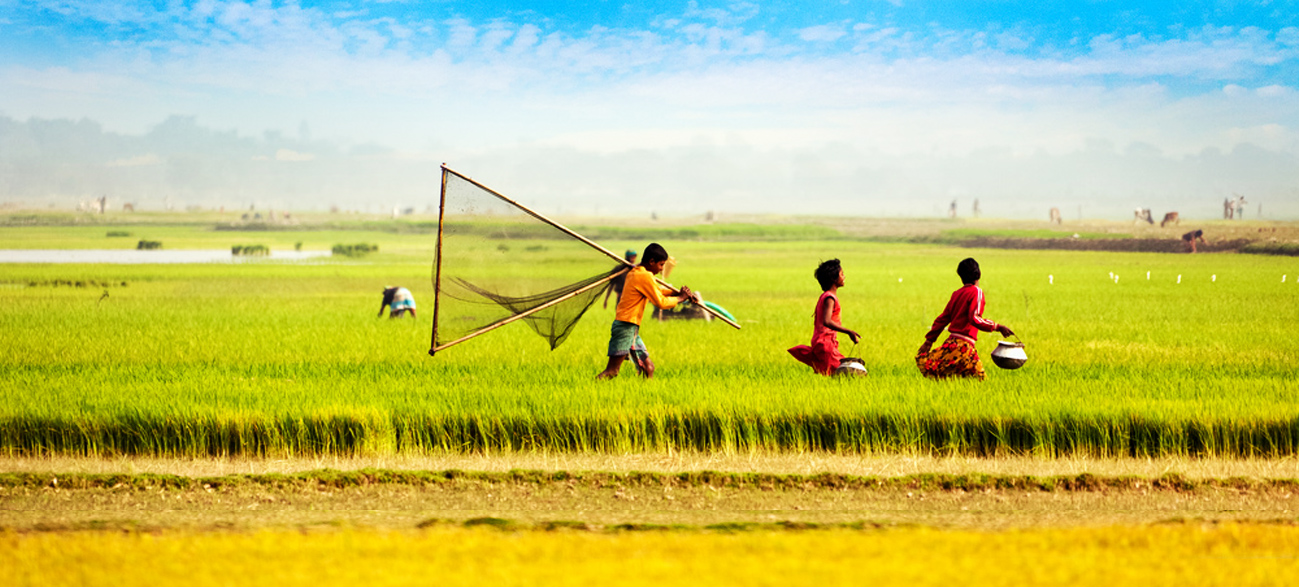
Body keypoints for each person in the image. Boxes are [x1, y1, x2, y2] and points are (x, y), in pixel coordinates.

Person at [596, 243, 697, 380]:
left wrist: (678, 293)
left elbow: (657, 291)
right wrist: (680, 298)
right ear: (651, 261)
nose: (662, 269)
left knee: (648, 368)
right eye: (661, 265)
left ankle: (646, 391)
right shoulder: (644, 276)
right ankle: (590, 387)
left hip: (630, 328)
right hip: (625, 327)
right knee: (612, 371)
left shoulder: (636, 272)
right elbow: (661, 302)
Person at [916, 258, 1013, 380]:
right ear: (979, 274)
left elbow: (942, 319)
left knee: (952, 381)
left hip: (951, 345)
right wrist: (997, 327)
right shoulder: (976, 292)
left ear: (961, 277)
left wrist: (929, 340)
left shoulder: (957, 294)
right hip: (965, 349)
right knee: (980, 382)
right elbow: (974, 318)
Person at [789, 259, 861, 376]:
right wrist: (849, 332)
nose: (844, 276)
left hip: (825, 343)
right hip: (825, 343)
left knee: (839, 373)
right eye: (842, 274)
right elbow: (827, 321)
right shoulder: (829, 298)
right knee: (841, 374)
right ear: (834, 279)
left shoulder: (825, 296)